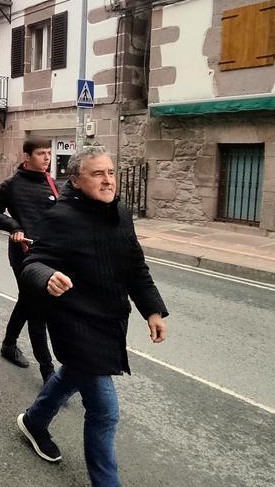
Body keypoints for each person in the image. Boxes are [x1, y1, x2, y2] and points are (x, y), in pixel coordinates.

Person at [16, 146, 168, 486]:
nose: (108, 180)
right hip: (74, 324)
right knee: (104, 411)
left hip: (109, 321)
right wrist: (47, 276)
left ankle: (34, 422)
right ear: (75, 180)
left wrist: (153, 309)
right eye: (98, 173)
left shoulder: (121, 214)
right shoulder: (61, 217)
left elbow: (135, 266)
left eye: (111, 172)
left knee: (70, 376)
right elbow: (32, 263)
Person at [0, 138, 58, 382]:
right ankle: (48, 371)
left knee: (27, 301)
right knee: (37, 308)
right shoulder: (12, 184)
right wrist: (14, 227)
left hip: (48, 254)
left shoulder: (51, 182)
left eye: (48, 153)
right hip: (24, 255)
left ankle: (9, 344)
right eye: (41, 153)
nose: (47, 158)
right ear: (27, 157)